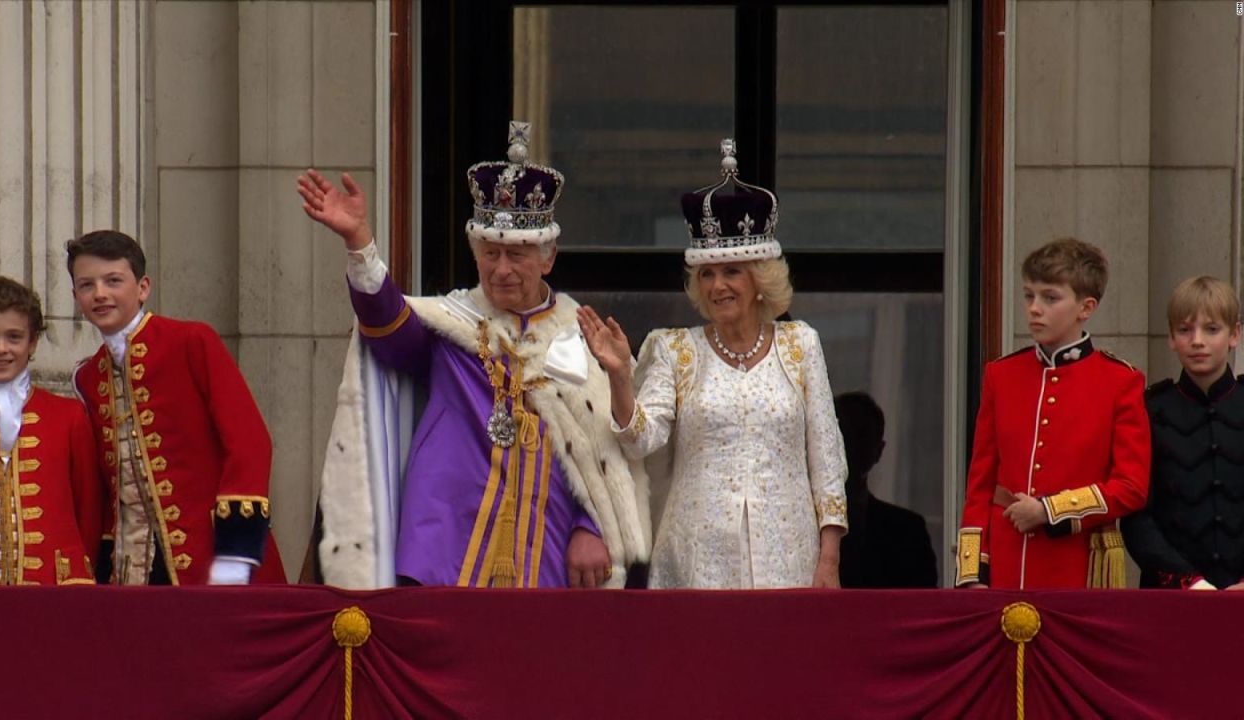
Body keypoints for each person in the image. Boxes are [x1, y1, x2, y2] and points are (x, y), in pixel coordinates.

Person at [298, 121, 649, 588]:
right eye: (489, 253)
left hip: (546, 548)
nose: (501, 269)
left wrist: (591, 528)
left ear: (548, 257)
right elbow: (387, 328)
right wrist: (360, 244)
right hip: (444, 544)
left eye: (517, 255)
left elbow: (602, 452)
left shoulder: (579, 338)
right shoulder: (452, 324)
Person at [579, 138, 848, 589]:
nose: (717, 285)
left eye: (731, 271)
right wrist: (621, 375)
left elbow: (826, 457)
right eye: (707, 273)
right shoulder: (676, 350)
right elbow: (640, 440)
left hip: (789, 558)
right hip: (696, 561)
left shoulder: (801, 344)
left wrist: (829, 558)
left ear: (760, 279)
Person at [67, 230, 286, 585]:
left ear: (142, 288)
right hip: (131, 569)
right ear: (76, 297)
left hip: (212, 557)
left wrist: (235, 551)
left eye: (113, 281)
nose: (100, 294)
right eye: (87, 285)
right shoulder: (89, 377)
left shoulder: (191, 341)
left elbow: (249, 441)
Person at [956, 237, 1150, 589]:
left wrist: (1050, 510)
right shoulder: (1001, 375)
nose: (1034, 308)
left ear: (1085, 307)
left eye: (1050, 297)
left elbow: (1131, 486)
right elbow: (980, 484)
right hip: (1005, 563)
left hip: (1076, 564)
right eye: (1029, 295)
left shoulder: (1120, 381)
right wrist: (972, 574)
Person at [0, 277, 101, 585]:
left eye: (14, 337)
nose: (1, 349)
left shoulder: (69, 415)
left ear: (33, 342)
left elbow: (89, 510)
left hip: (58, 589)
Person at [1123, 276, 1244, 590]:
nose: (1197, 341)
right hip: (1172, 597)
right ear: (1171, 338)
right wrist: (1191, 583)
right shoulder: (1148, 410)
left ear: (1235, 334)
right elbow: (1137, 517)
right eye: (1185, 330)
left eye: (1211, 329)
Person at [834, 391, 937, 588]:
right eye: (845, 434)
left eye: (861, 435)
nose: (850, 446)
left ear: (878, 450)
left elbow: (924, 607)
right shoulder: (802, 525)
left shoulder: (908, 531)